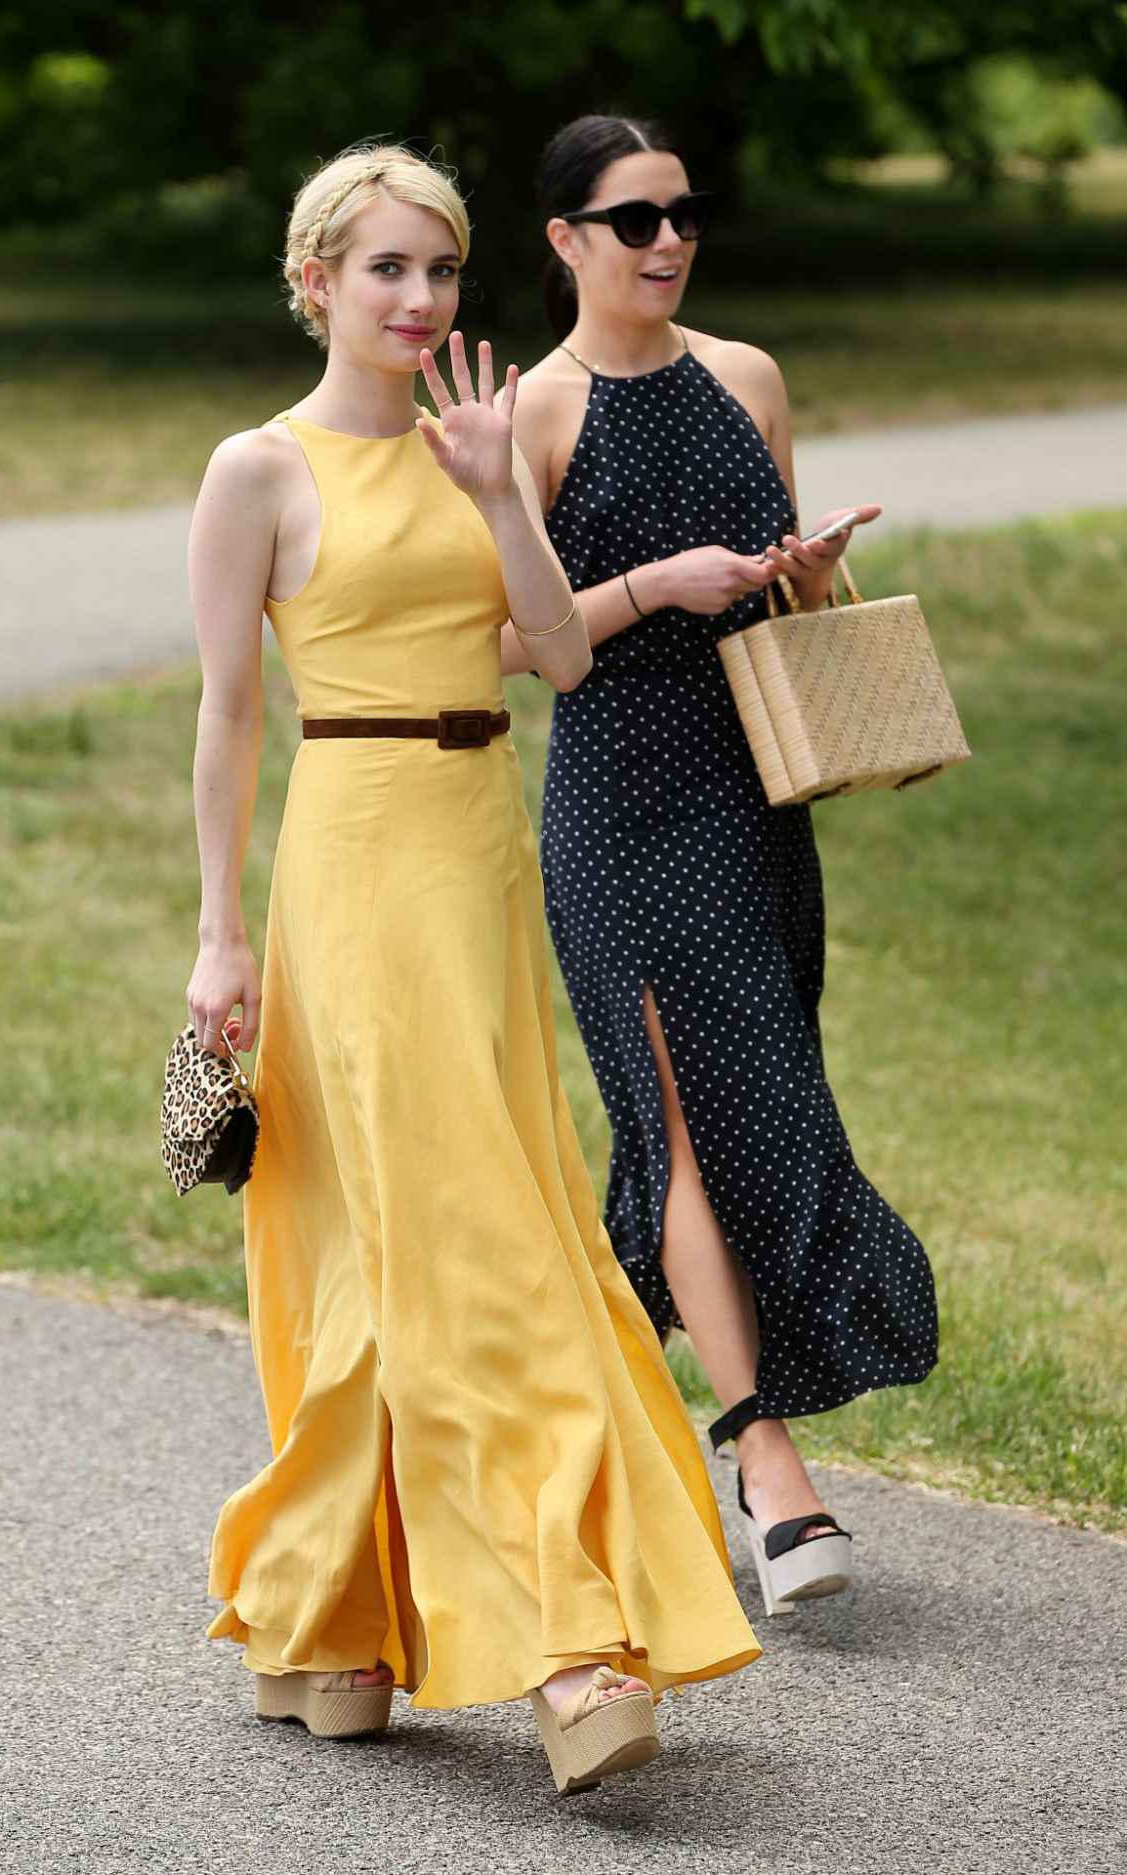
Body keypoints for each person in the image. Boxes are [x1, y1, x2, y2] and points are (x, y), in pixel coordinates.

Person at [185, 141, 758, 1794]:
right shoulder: (259, 470)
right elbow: (228, 710)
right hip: (350, 858)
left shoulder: (476, 449)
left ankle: (325, 1616)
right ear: (315, 283)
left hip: (481, 851)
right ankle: (570, 1644)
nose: (420, 300)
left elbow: (563, 651)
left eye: (438, 272)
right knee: (460, 1235)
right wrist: (221, 929)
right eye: (385, 269)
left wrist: (503, 489)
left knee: (423, 1231)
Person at [506, 115, 938, 1617]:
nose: (667, 241)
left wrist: (799, 571)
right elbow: (513, 646)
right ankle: (768, 1470)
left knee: (769, 1098)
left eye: (682, 213)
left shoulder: (745, 379)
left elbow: (772, 603)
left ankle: (673, 1408)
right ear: (563, 241)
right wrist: (650, 586)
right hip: (616, 813)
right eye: (632, 221)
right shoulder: (531, 420)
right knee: (678, 1121)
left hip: (750, 799)